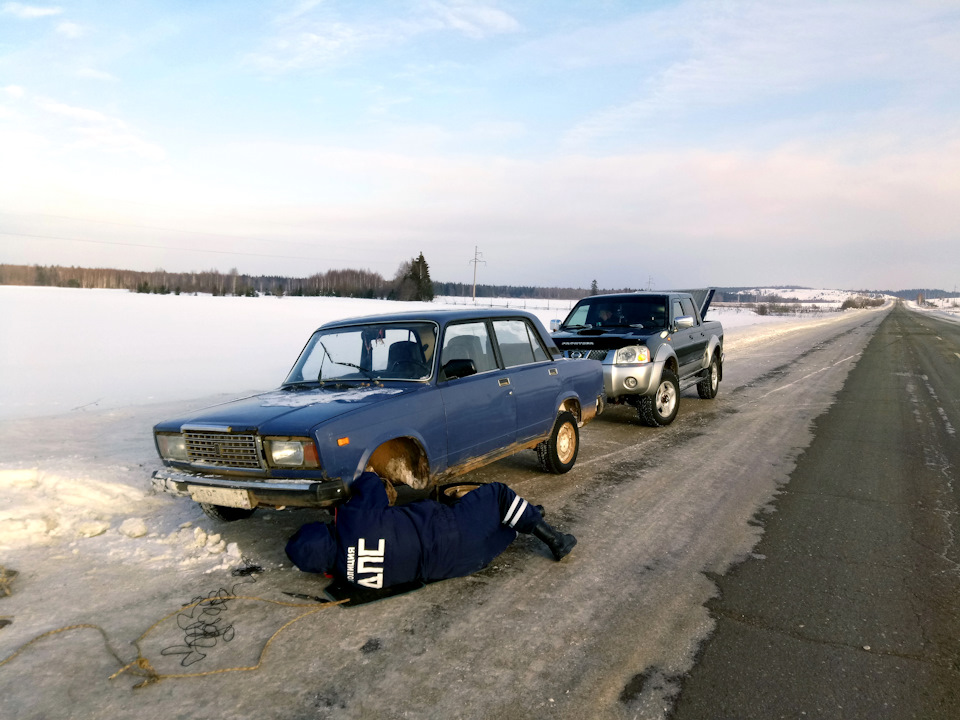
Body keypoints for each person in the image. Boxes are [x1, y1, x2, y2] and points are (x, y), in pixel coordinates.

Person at [285, 472, 576, 590]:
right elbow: (370, 483)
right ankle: (555, 539)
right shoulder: (352, 520)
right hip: (451, 530)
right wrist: (363, 477)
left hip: (462, 564)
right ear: (325, 532)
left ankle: (531, 515)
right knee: (499, 495)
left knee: (504, 525)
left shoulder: (351, 578)